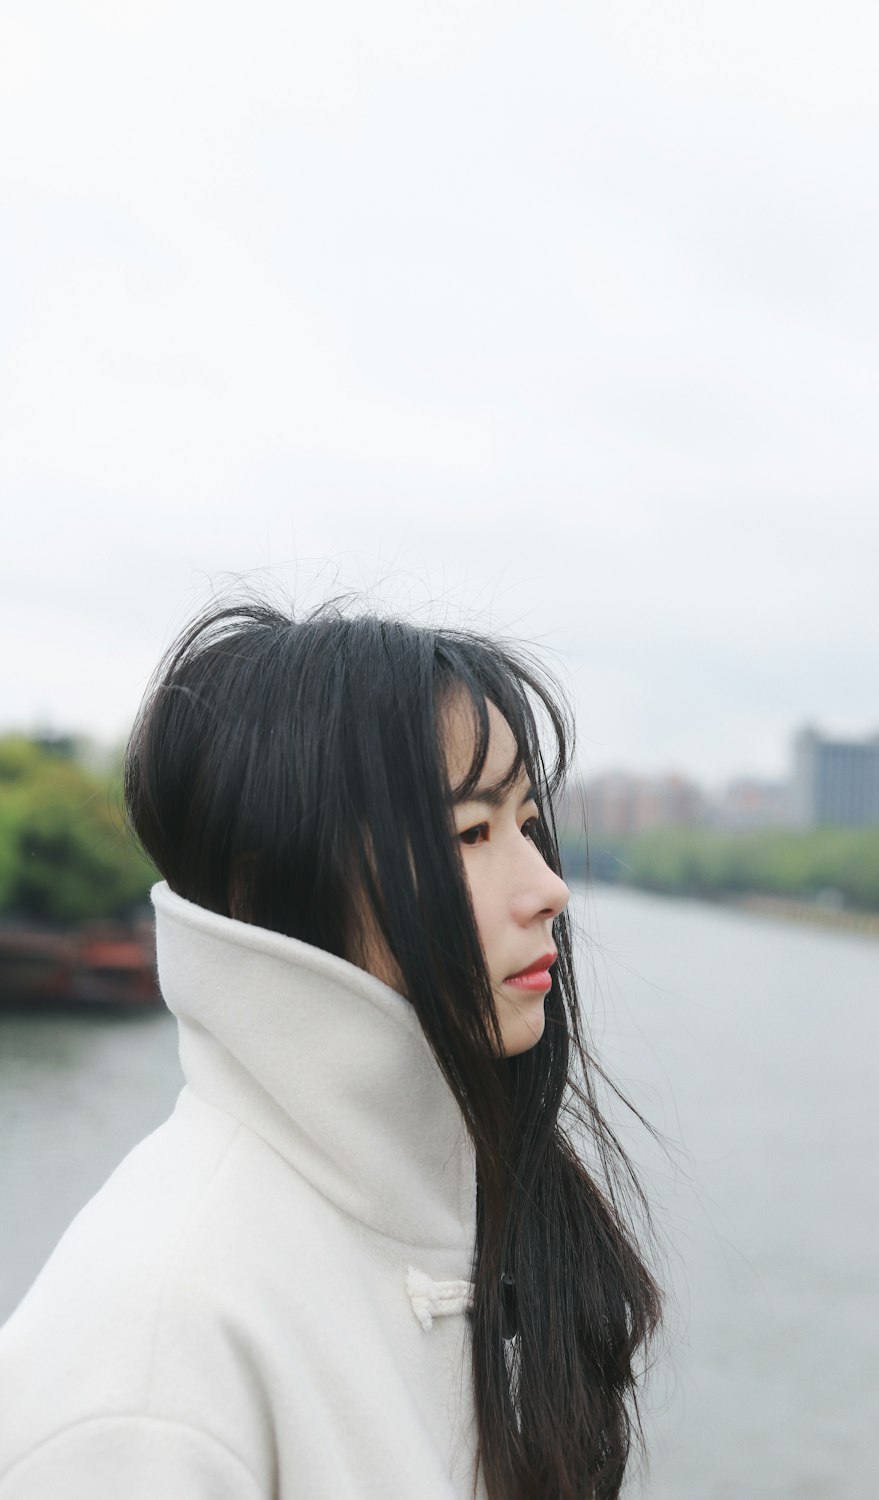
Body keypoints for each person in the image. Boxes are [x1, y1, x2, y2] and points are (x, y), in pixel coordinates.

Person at [0, 596, 663, 1500]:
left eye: (528, 824)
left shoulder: (444, 1229)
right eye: (472, 832)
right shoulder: (156, 1360)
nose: (549, 887)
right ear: (281, 874)